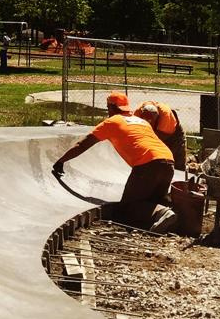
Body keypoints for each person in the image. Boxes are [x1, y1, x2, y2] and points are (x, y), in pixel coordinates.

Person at [51, 91, 176, 231]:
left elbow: (83, 144)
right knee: (151, 202)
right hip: (168, 161)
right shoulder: (142, 122)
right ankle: (170, 213)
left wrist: (61, 161)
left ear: (110, 107)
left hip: (148, 164)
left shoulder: (112, 122)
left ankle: (163, 213)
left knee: (126, 208)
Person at [135, 100, 187, 171]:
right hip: (155, 133)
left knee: (175, 161)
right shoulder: (137, 114)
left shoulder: (165, 117)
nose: (149, 124)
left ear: (157, 117)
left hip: (172, 136)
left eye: (151, 122)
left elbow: (159, 139)